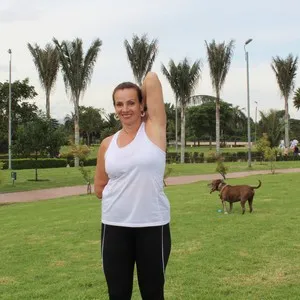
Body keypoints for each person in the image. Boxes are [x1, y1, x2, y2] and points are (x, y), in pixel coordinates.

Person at [94, 72, 171, 300]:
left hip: (152, 226)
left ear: (141, 105)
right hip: (115, 226)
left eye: (131, 103)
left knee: (153, 293)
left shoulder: (154, 130)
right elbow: (99, 187)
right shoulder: (107, 144)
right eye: (119, 104)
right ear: (114, 108)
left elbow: (152, 79)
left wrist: (146, 106)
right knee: (117, 294)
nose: (125, 109)